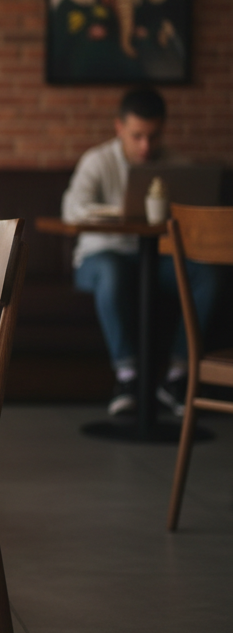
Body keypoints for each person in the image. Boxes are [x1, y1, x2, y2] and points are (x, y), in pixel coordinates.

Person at [62, 87, 219, 417]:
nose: (146, 146)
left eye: (153, 136)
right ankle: (128, 378)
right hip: (100, 257)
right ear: (119, 128)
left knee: (207, 275)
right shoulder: (97, 161)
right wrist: (123, 210)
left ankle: (177, 377)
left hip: (157, 259)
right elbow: (72, 210)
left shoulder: (180, 166)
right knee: (112, 272)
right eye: (137, 136)